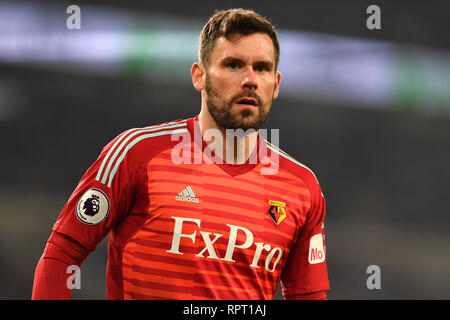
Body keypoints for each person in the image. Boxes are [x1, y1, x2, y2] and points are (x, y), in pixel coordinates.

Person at [32, 8, 329, 300]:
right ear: (199, 76)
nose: (250, 79)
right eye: (233, 65)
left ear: (275, 84)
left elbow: (309, 296)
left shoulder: (302, 187)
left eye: (261, 68)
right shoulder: (135, 153)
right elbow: (62, 254)